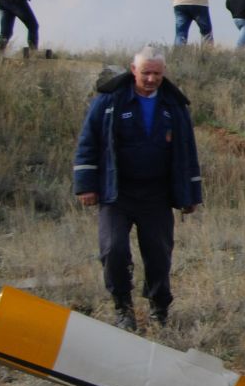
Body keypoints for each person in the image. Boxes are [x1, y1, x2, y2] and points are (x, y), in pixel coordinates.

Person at [73, 45, 204, 330]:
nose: (150, 79)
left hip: (156, 195)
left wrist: (191, 194)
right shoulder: (109, 101)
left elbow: (187, 152)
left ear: (163, 73)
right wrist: (86, 185)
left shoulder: (175, 106)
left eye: (156, 74)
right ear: (133, 70)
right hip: (116, 192)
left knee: (159, 253)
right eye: (145, 73)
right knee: (113, 249)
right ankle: (123, 307)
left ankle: (159, 308)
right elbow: (88, 142)